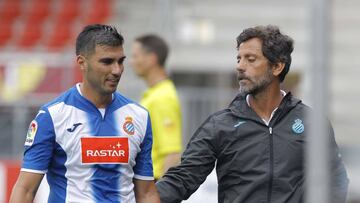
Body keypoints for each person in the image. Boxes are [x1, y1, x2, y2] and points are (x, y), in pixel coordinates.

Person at [156, 25, 349, 203]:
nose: (240, 66)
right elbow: (183, 178)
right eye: (239, 59)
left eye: (251, 59)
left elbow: (336, 179)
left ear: (277, 67)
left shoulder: (311, 122)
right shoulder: (220, 124)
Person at [10, 24, 160, 203]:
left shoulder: (139, 116)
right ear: (82, 63)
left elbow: (146, 193)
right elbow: (25, 189)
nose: (117, 70)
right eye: (107, 62)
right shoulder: (52, 116)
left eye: (120, 61)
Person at [130, 34, 182, 180]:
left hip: (153, 182)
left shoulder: (163, 97)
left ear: (151, 59)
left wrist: (161, 195)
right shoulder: (154, 94)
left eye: (135, 56)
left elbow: (172, 153)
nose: (131, 62)